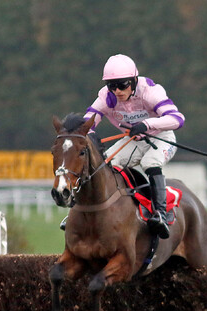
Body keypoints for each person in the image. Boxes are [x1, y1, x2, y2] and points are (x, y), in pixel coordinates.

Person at [62, 54, 184, 239]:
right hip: (133, 140)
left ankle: (160, 214)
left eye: (122, 84)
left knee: (150, 162)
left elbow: (177, 119)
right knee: (103, 166)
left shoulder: (151, 91)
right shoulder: (106, 97)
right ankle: (77, 211)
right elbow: (88, 121)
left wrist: (147, 124)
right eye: (112, 86)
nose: (117, 91)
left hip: (162, 137)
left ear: (134, 80)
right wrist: (91, 136)